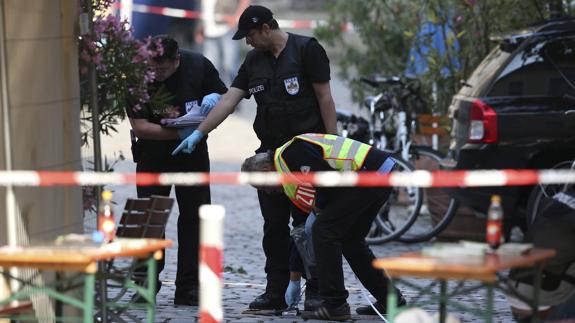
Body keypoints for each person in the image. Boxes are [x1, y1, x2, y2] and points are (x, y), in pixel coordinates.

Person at [172, 5, 338, 312]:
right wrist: (201, 133)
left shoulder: (307, 50)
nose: (247, 42)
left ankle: (317, 290)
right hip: (270, 157)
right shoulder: (253, 61)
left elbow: (325, 98)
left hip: (307, 155)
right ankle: (274, 290)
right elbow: (230, 100)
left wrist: (332, 148)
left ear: (266, 28)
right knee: (273, 227)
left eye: (250, 35)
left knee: (309, 227)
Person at [241, 133, 406, 321]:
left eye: (262, 186)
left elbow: (327, 180)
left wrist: (319, 208)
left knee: (324, 231)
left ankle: (335, 303)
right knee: (350, 241)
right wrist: (294, 280)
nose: (267, 192)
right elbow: (302, 231)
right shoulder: (289, 170)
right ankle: (390, 299)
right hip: (379, 170)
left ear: (266, 170)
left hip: (369, 172)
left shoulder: (291, 153)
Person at [125, 35, 227, 306]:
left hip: (191, 155)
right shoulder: (138, 75)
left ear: (176, 60)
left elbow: (224, 97)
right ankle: (145, 285)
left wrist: (213, 100)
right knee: (150, 219)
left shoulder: (198, 65)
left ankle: (189, 287)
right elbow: (141, 127)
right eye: (153, 68)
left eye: (163, 69)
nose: (157, 74)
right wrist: (182, 132)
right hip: (151, 155)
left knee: (194, 218)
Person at [201, 0, 250, 83]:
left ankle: (237, 92)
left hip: (227, 29)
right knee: (210, 68)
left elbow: (245, 1)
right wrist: (199, 27)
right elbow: (203, 7)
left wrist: (237, 16)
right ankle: (216, 94)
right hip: (208, 32)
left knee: (230, 68)